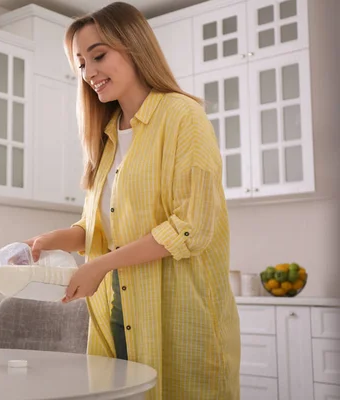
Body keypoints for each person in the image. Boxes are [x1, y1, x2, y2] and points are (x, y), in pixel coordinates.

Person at [23, 2, 241, 399]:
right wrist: (51, 239)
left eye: (99, 55)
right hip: (115, 318)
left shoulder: (182, 116)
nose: (89, 73)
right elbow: (100, 229)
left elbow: (191, 227)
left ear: (134, 46)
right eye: (81, 65)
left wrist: (101, 265)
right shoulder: (107, 137)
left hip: (177, 320)